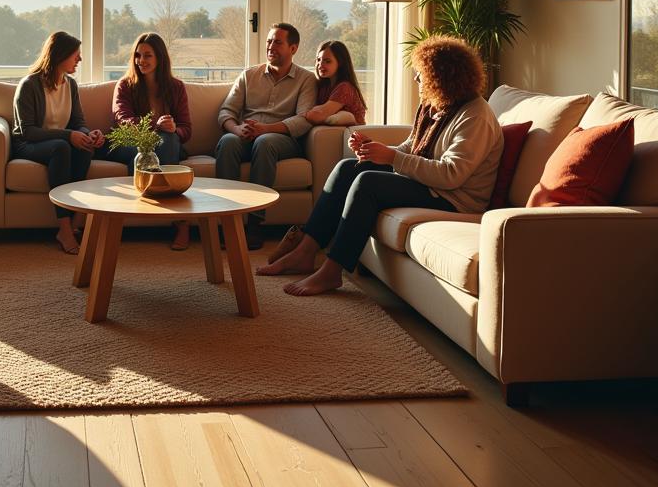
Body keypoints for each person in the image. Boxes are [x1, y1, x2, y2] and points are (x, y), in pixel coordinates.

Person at [258, 34, 503, 295]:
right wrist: (375, 150)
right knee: (347, 168)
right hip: (431, 185)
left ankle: (331, 272)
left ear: (441, 76)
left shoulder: (475, 116)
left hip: (455, 197)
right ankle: (305, 252)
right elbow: (411, 148)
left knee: (368, 183)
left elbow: (451, 175)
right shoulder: (435, 107)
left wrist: (392, 158)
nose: (416, 79)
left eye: (421, 73)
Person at [215, 22, 317, 250]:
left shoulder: (306, 80)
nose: (271, 46)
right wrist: (237, 129)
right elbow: (226, 112)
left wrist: (266, 129)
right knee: (228, 142)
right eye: (269, 41)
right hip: (246, 133)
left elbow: (303, 120)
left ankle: (255, 224)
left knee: (264, 142)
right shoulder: (248, 75)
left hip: (280, 138)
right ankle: (227, 221)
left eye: (277, 42)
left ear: (293, 48)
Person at [268, 39, 368, 264]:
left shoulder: (343, 88)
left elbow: (316, 115)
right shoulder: (322, 86)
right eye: (318, 60)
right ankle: (300, 241)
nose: (321, 64)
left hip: (348, 144)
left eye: (327, 61)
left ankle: (303, 243)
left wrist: (306, 115)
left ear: (340, 64)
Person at [12, 31, 104, 255]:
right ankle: (63, 227)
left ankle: (74, 225)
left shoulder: (70, 85)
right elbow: (28, 131)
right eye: (76, 55)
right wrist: (68, 135)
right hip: (28, 144)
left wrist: (86, 134)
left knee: (84, 147)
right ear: (59, 56)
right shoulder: (30, 85)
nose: (80, 60)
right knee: (63, 146)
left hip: (56, 143)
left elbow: (78, 122)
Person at [107, 32, 193, 250]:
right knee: (144, 148)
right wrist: (156, 125)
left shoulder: (176, 87)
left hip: (166, 144)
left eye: (147, 56)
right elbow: (123, 120)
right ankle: (162, 213)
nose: (141, 61)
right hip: (130, 143)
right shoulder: (125, 85)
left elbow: (186, 130)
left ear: (160, 58)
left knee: (171, 140)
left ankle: (180, 222)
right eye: (137, 55)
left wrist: (174, 128)